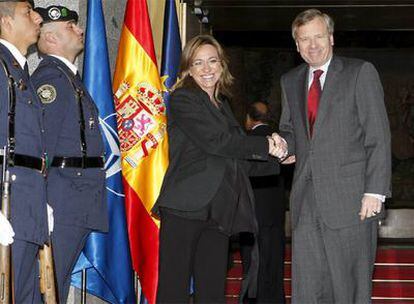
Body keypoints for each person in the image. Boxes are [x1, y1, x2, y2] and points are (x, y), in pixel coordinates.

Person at [274, 9, 392, 303]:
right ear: (297, 45)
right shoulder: (290, 81)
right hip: (305, 202)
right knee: (308, 289)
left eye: (318, 37)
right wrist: (284, 147)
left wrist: (375, 192)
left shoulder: (360, 72)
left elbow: (378, 136)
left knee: (349, 288)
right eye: (304, 39)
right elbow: (291, 130)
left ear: (331, 38)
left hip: (352, 201)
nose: (312, 45)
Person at [153, 35, 282, 304]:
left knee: (212, 290)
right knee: (173, 289)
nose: (207, 68)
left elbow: (235, 160)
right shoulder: (183, 98)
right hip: (184, 207)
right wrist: (266, 145)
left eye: (212, 61)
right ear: (188, 68)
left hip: (220, 209)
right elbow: (218, 143)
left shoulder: (222, 106)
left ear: (222, 66)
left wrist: (279, 158)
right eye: (198, 63)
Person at [31, 5, 108, 303]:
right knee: (49, 285)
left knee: (57, 283)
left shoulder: (69, 79)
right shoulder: (51, 81)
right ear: (50, 40)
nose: (80, 30)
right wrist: (43, 202)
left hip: (76, 196)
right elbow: (41, 145)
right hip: (62, 198)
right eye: (70, 27)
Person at [0, 0, 46, 302]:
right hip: (9, 200)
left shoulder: (18, 69)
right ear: (5, 22)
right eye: (27, 12)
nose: (37, 17)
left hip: (27, 202)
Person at [239, 101, 286, 304]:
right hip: (276, 213)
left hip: (252, 214)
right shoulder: (282, 142)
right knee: (275, 261)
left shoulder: (245, 141)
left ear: (249, 119)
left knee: (254, 263)